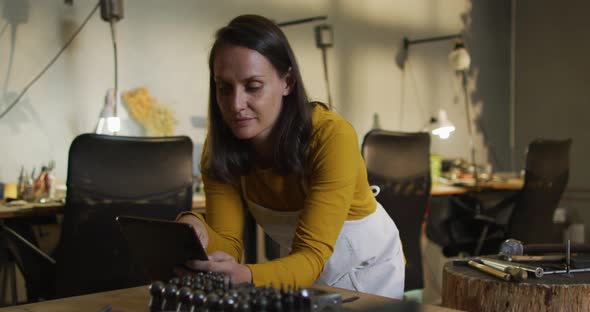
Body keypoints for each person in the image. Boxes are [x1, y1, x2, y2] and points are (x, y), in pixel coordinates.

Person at [177, 14, 405, 299]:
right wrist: (196, 229)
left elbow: (311, 255)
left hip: (367, 271)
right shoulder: (221, 147)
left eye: (253, 86)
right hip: (296, 271)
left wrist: (247, 275)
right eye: (224, 88)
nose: (236, 105)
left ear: (288, 82)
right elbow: (230, 247)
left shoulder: (332, 137)